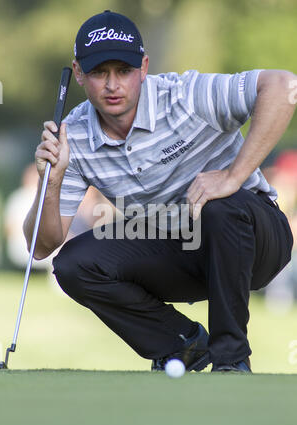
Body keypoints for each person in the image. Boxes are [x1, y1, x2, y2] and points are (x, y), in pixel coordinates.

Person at [23, 10, 295, 373]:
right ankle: (182, 345)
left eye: (124, 71)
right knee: (74, 265)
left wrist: (232, 175)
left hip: (257, 240)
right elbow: (41, 248)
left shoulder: (185, 96)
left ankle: (231, 361)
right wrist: (51, 180)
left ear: (144, 67)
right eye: (100, 72)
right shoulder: (73, 135)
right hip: (182, 249)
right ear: (78, 74)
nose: (112, 85)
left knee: (220, 205)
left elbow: (284, 86)